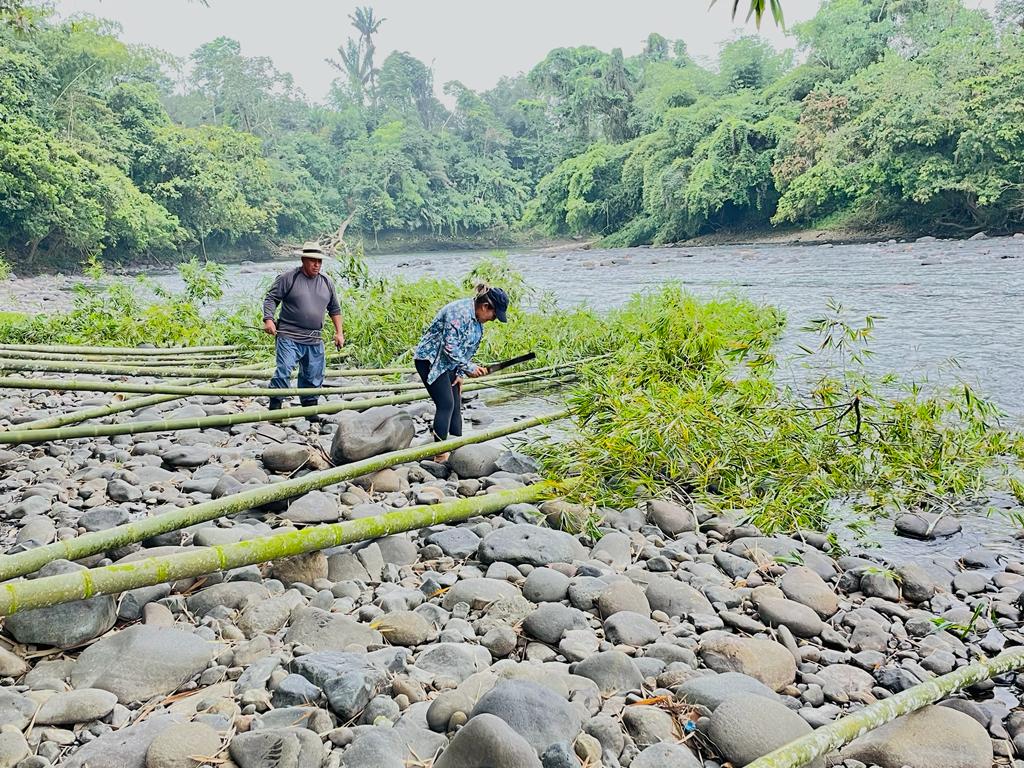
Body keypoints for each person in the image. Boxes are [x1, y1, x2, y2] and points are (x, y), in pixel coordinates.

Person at [413, 283, 510, 461]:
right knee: (446, 404)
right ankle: (440, 454)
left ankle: (457, 449)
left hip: (450, 363)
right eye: (494, 316)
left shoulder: (478, 323)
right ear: (485, 307)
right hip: (430, 360)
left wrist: (460, 373)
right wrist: (469, 368)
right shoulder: (457, 312)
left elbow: (466, 350)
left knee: (456, 404)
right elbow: (449, 347)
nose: (493, 319)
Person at [262, 241, 345, 414]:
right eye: (313, 261)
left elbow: (335, 309)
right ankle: (275, 409)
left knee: (313, 375)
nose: (317, 265)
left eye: (319, 261)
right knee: (284, 370)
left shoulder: (326, 282)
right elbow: (271, 299)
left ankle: (309, 413)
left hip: (314, 338)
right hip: (289, 335)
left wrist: (339, 333)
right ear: (303, 260)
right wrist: (268, 319)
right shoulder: (288, 278)